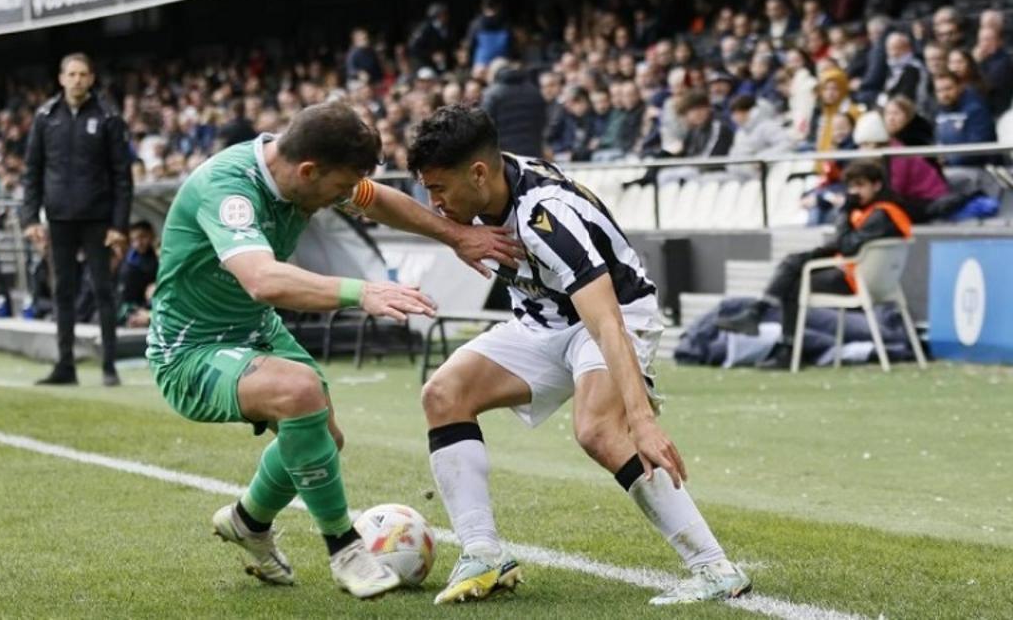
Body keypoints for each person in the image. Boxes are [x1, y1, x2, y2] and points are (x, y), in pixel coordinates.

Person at [146, 101, 520, 600]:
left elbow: (376, 200)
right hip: (190, 349)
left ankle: (247, 521)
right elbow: (260, 278)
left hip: (254, 331)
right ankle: (345, 548)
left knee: (322, 437)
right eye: (340, 189)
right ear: (308, 170)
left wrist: (456, 236)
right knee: (299, 391)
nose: (347, 198)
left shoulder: (311, 172)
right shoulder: (229, 190)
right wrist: (362, 292)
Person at [406, 104, 751, 606]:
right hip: (544, 321)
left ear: (479, 173)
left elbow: (606, 319)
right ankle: (483, 554)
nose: (433, 202)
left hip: (615, 316)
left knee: (597, 429)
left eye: (438, 189)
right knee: (443, 394)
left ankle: (715, 567)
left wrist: (641, 418)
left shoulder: (544, 217)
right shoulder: (488, 188)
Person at [716, 161, 912, 366]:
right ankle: (761, 319)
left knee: (793, 284)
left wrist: (844, 212)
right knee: (793, 264)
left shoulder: (880, 214)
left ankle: (781, 342)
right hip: (868, 277)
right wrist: (806, 257)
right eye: (851, 187)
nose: (855, 192)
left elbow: (846, 247)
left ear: (877, 185)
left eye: (860, 185)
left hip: (856, 280)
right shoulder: (882, 211)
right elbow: (845, 244)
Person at [22, 53, 133, 387]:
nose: (77, 80)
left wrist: (119, 226)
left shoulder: (109, 117)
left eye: (83, 74)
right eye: (71, 74)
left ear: (92, 78)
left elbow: (122, 176)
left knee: (103, 291)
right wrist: (30, 218)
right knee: (63, 292)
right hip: (58, 219)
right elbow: (32, 172)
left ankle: (109, 366)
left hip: (98, 220)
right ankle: (65, 365)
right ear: (61, 78)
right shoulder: (45, 117)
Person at [852, 111, 950, 222]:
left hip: (929, 199)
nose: (861, 150)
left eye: (865, 145)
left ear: (876, 143)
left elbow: (896, 189)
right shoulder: (883, 156)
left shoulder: (897, 155)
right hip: (912, 198)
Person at [480, 59, 547, 157]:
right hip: (533, 152)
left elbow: (485, 127)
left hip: (505, 156)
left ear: (494, 73)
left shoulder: (491, 94)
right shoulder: (534, 91)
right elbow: (543, 121)